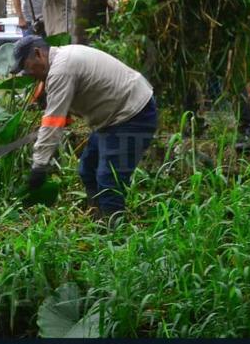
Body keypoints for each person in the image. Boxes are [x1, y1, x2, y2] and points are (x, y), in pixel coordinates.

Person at [136, 0, 250, 142]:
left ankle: (246, 129)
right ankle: (193, 125)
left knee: (228, 75)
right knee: (186, 75)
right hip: (192, 28)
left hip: (215, 24)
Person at [13, 35, 157, 216]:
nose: (27, 74)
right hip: (113, 117)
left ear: (38, 53)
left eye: (26, 67)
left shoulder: (61, 70)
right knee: (88, 169)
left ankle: (114, 235)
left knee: (109, 181)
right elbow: (60, 116)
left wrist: (40, 165)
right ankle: (98, 217)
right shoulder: (61, 61)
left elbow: (53, 122)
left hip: (132, 114)